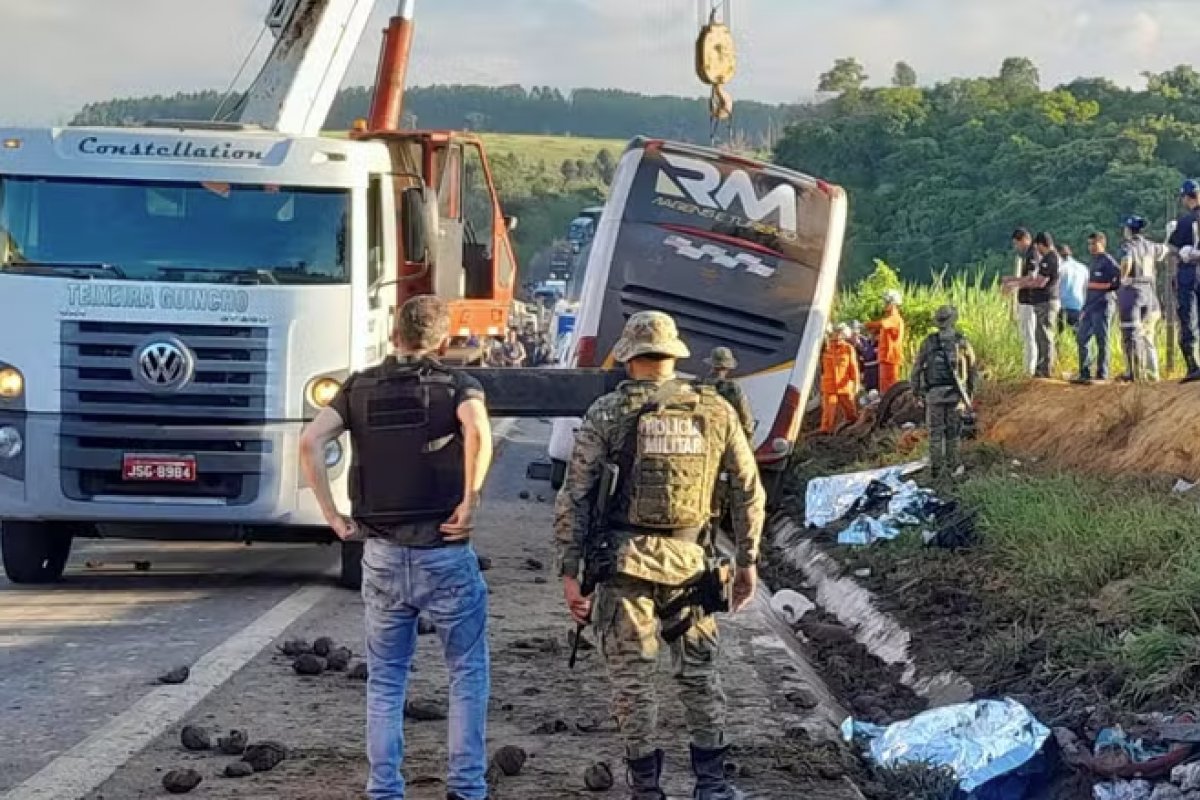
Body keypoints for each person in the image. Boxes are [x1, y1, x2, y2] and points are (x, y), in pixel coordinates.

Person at [554, 311, 765, 800]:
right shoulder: (715, 409)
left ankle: (646, 788)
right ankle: (712, 784)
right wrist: (749, 561)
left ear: (630, 357)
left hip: (624, 563)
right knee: (699, 674)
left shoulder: (608, 412)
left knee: (633, 679)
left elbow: (575, 496)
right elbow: (748, 491)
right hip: (692, 564)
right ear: (674, 356)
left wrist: (570, 570)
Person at [299, 296, 494, 800]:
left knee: (386, 679)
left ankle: (384, 789)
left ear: (393, 335)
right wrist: (469, 503)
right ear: (444, 341)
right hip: (444, 549)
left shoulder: (357, 386)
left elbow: (308, 442)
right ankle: (467, 787)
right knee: (466, 671)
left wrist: (332, 515)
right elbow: (477, 431)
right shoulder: (456, 385)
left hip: (382, 552)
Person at [911, 305, 979, 480]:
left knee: (935, 433)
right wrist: (969, 394)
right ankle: (953, 466)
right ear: (953, 320)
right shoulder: (961, 342)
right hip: (955, 395)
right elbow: (972, 370)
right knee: (952, 433)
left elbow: (917, 368)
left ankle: (936, 469)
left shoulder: (928, 342)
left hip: (934, 394)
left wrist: (916, 392)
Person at [1118, 216, 1166, 382]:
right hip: (1150, 296)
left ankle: (1135, 373)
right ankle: (1153, 374)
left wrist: (1123, 278)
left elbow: (1127, 260)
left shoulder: (1129, 245)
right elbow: (1165, 250)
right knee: (1148, 337)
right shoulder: (1151, 246)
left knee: (1131, 335)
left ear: (1129, 230)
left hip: (1133, 294)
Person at [1073, 232, 1121, 383]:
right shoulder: (1093, 261)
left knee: (1102, 339)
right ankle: (1084, 372)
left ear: (1102, 243)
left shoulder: (1109, 261)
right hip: (1090, 306)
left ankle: (1102, 373)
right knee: (1082, 337)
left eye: (1094, 244)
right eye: (1089, 244)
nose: (1091, 247)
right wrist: (1084, 307)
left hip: (1103, 304)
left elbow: (1119, 280)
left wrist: (1102, 286)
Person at [1169, 179, 1200, 382]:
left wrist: (1184, 252)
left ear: (1186, 198)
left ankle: (1192, 365)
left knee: (1187, 316)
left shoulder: (1186, 221)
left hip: (1189, 274)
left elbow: (1171, 248)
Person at [701, 346, 755, 441]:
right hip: (723, 439)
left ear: (712, 364)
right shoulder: (733, 389)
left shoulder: (698, 384)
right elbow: (746, 422)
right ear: (728, 368)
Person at [1009, 228, 1040, 376]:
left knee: (1029, 335)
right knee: (1026, 335)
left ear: (1023, 240)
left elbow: (1032, 277)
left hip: (1029, 301)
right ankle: (1028, 367)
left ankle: (1030, 369)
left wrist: (1014, 284)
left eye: (1017, 243)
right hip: (1025, 300)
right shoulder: (1029, 254)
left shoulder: (1032, 253)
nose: (1017, 247)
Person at [819, 324, 860, 434]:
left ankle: (853, 429)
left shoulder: (848, 349)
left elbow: (853, 368)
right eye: (835, 333)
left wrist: (856, 385)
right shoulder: (825, 348)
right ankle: (825, 432)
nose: (836, 337)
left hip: (844, 387)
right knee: (828, 412)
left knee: (851, 412)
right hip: (829, 386)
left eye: (839, 334)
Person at [866, 290, 905, 394]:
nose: (884, 304)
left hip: (890, 358)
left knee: (890, 389)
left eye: (886, 302)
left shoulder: (895, 318)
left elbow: (882, 324)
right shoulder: (890, 319)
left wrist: (866, 324)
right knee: (884, 387)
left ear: (892, 304)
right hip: (886, 358)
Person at [1057, 244, 1088, 331]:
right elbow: (1086, 289)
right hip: (1078, 306)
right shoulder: (1083, 268)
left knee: (1058, 338)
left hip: (1062, 306)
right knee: (1077, 337)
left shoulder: (1059, 268)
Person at [851, 321, 880, 393]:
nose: (871, 335)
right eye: (870, 333)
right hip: (867, 371)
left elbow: (868, 355)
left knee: (875, 391)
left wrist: (860, 346)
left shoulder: (879, 344)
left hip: (875, 371)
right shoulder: (867, 342)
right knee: (868, 391)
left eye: (873, 333)